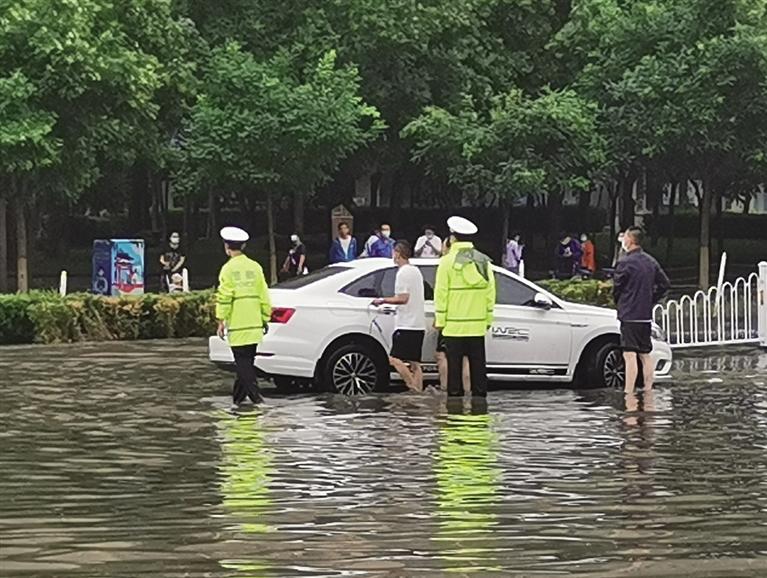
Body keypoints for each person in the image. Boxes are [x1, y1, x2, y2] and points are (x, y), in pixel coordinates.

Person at [434, 216, 496, 399]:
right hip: (477, 327)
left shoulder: (446, 262)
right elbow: (490, 293)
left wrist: (440, 321)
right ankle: (479, 412)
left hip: (453, 327)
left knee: (454, 374)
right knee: (478, 371)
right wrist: (487, 320)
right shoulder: (484, 261)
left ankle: (455, 414)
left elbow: (441, 293)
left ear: (452, 238)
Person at [216, 226, 272, 406]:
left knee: (242, 364)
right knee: (247, 362)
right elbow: (264, 294)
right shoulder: (255, 267)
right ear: (244, 246)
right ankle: (237, 400)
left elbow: (224, 296)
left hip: (238, 325)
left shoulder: (227, 269)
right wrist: (265, 317)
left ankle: (257, 400)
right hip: (255, 323)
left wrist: (220, 320)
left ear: (226, 247)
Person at [612, 226, 670, 394]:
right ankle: (648, 389)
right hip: (645, 315)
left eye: (625, 238)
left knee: (629, 355)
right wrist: (651, 299)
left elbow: (617, 288)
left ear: (630, 240)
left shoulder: (624, 263)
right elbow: (665, 284)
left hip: (629, 315)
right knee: (645, 354)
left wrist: (620, 302)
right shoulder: (651, 261)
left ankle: (628, 391)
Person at [373, 241, 426, 392]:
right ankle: (420, 394)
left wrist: (382, 300)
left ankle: (412, 388)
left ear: (397, 253)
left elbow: (403, 298)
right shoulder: (416, 271)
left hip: (406, 324)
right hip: (418, 324)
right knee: (415, 363)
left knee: (394, 359)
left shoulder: (402, 273)